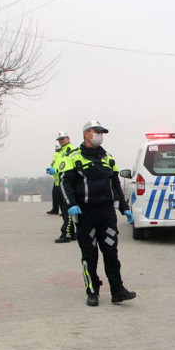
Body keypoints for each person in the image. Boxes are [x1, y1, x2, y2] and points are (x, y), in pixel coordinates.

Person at [59, 119, 136, 307]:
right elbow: (64, 182)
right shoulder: (73, 157)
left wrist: (124, 208)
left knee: (111, 252)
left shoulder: (108, 158)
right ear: (86, 133)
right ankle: (92, 291)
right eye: (96, 132)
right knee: (89, 254)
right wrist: (71, 204)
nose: (99, 135)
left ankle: (117, 290)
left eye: (102, 132)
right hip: (85, 212)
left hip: (106, 212)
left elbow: (116, 185)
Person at [49, 132, 77, 243]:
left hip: (66, 184)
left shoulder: (71, 150)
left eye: (63, 139)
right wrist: (53, 170)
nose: (61, 141)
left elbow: (67, 168)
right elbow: (56, 165)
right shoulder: (60, 152)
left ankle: (66, 233)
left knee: (67, 210)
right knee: (63, 210)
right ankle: (72, 233)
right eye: (59, 139)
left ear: (68, 138)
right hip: (58, 183)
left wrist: (55, 170)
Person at [46, 140, 61, 215]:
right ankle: (55, 209)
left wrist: (55, 170)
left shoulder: (63, 154)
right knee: (55, 194)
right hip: (56, 178)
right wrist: (51, 169)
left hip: (62, 178)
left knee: (62, 196)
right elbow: (54, 163)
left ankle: (64, 211)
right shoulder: (56, 154)